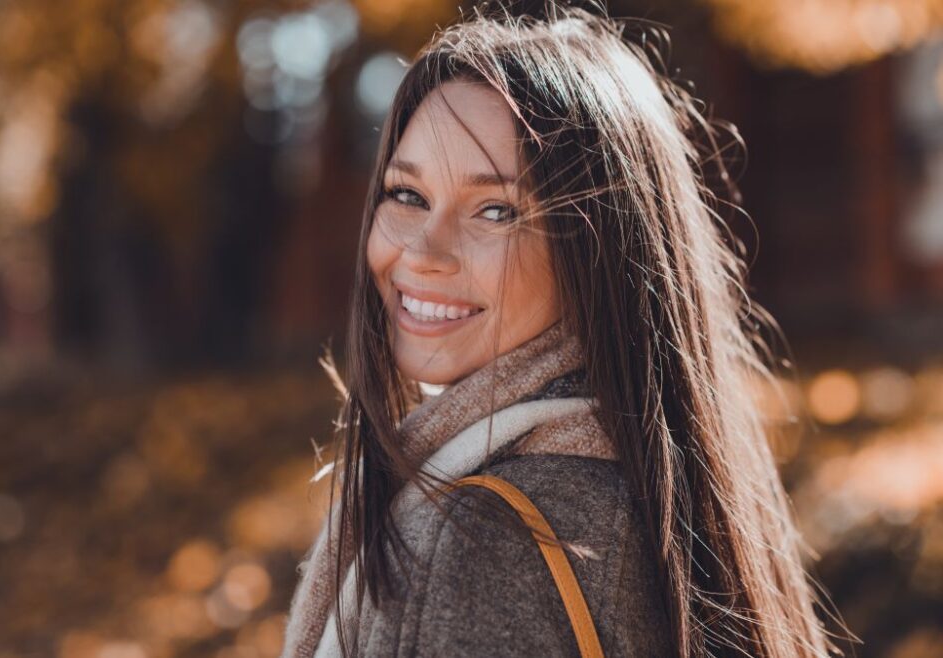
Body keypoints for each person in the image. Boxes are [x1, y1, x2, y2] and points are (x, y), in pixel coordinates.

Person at [281, 3, 837, 656]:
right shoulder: (660, 494)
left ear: (597, 252)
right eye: (407, 195)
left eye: (495, 210)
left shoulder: (476, 543)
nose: (423, 252)